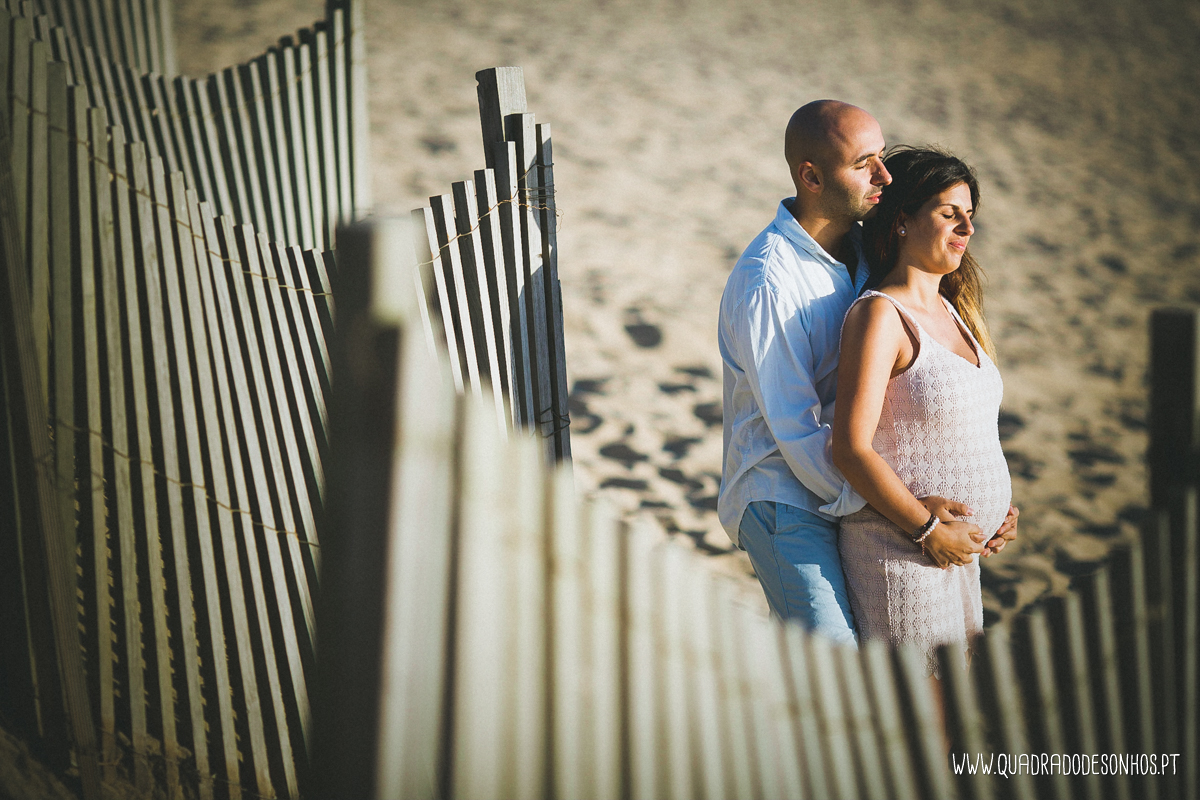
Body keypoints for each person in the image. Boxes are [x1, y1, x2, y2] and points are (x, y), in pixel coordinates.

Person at [717, 101, 1013, 645]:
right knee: (841, 675)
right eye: (865, 163)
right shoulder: (769, 281)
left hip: (862, 501)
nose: (885, 176)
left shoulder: (863, 248)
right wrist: (909, 515)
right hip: (789, 500)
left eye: (882, 158)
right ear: (811, 176)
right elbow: (797, 431)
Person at [832, 145, 1018, 675]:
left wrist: (996, 511)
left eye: (970, 216)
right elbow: (849, 447)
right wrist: (926, 529)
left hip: (958, 557)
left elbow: (969, 435)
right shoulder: (880, 315)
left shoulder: (957, 313)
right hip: (903, 553)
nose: (966, 228)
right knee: (924, 733)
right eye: (948, 213)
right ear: (901, 221)